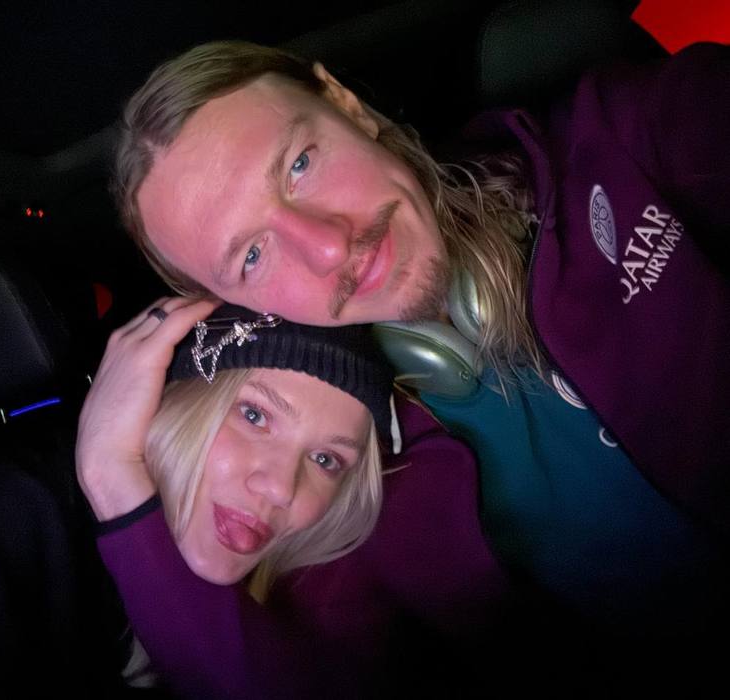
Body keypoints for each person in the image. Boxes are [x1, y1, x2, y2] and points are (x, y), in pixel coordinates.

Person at [87, 38, 729, 692]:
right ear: (238, 306)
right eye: (251, 256)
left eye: (300, 163)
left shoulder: (617, 142)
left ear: (346, 104)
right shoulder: (348, 469)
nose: (329, 245)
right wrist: (112, 477)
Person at [79, 298, 511, 698]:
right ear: (175, 404)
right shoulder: (49, 552)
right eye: (254, 416)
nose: (281, 488)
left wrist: (112, 475)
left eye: (326, 459)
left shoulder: (335, 592)